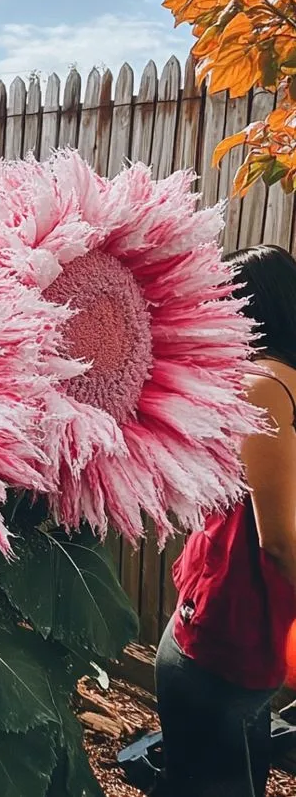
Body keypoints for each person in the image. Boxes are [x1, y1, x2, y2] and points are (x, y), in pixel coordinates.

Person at [155, 243, 296, 797]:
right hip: (229, 638)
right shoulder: (274, 384)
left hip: (228, 635)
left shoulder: (266, 386)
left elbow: (281, 538)